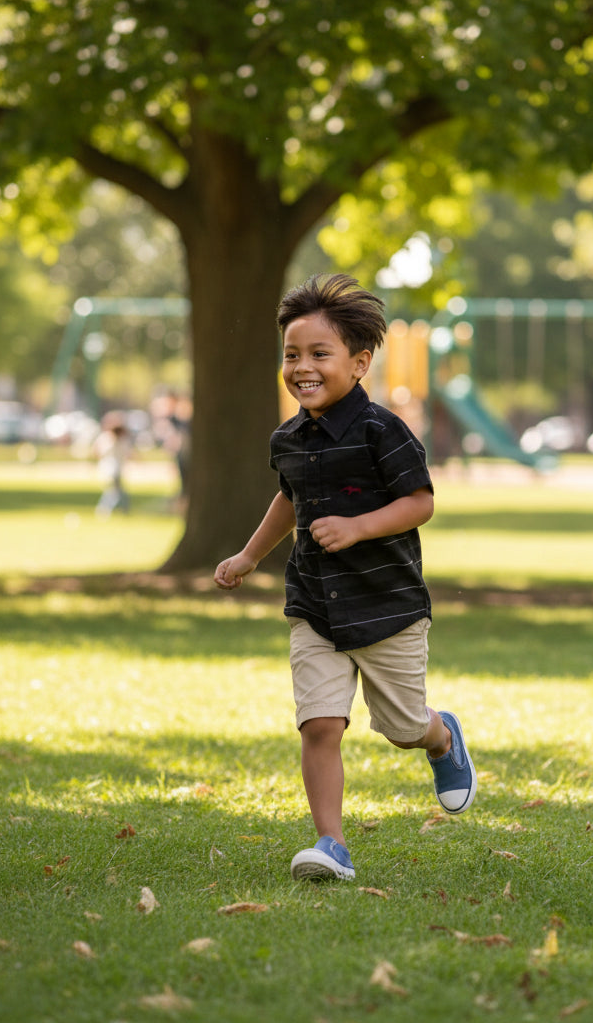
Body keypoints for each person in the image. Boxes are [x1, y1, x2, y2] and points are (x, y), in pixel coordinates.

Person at [213, 273, 477, 882]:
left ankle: (441, 738)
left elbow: (420, 502)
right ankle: (331, 844)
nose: (302, 367)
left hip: (387, 606)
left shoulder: (382, 430)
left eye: (318, 354)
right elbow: (289, 500)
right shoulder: (287, 439)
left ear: (359, 364)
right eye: (291, 355)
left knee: (402, 727)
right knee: (321, 723)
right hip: (315, 607)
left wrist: (358, 528)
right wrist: (251, 556)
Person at [93, 411, 132, 516]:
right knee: (115, 492)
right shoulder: (108, 438)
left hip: (114, 468)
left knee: (118, 491)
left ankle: (124, 509)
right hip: (111, 469)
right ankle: (105, 509)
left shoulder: (120, 440)